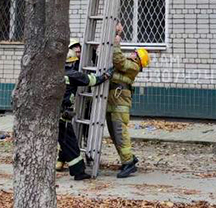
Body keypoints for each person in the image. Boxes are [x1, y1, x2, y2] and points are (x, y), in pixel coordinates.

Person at [59, 39, 111, 180]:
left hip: (52, 114)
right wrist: (106, 75)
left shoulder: (56, 73)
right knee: (70, 143)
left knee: (63, 142)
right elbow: (93, 80)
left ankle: (60, 164)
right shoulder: (73, 74)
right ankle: (78, 172)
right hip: (62, 116)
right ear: (72, 62)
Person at [106, 23, 150, 178]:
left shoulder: (133, 67)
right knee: (114, 134)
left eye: (135, 53)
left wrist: (117, 42)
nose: (132, 53)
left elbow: (118, 60)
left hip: (119, 106)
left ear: (138, 59)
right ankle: (128, 158)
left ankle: (128, 164)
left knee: (120, 133)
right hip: (112, 103)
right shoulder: (130, 64)